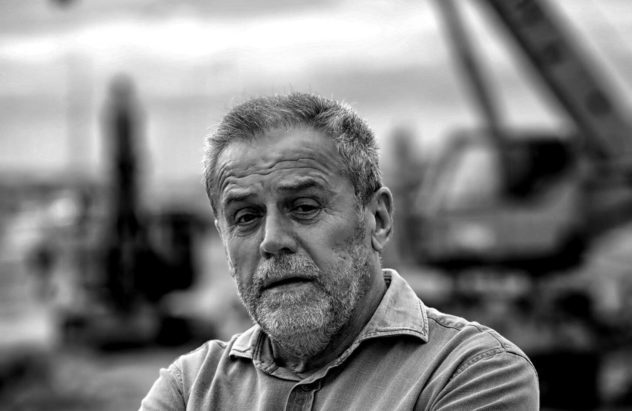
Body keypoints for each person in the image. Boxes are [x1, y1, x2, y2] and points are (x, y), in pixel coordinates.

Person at [140, 93, 539, 410]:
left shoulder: (471, 372)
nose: (271, 240)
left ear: (377, 219)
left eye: (304, 207)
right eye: (245, 217)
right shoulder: (188, 387)